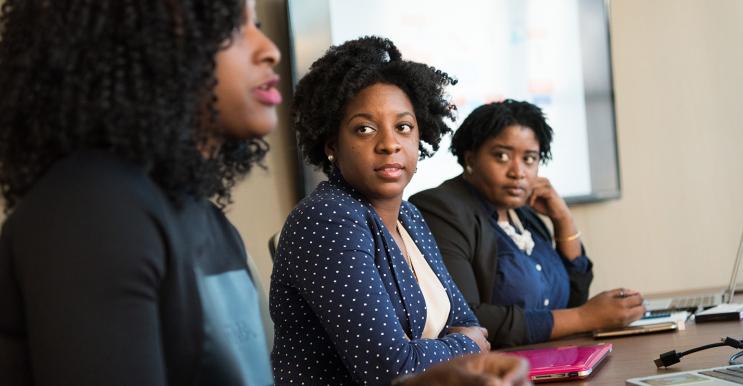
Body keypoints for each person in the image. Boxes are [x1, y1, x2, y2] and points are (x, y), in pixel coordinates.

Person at [0, 2, 529, 386]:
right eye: (234, 24)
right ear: (141, 47)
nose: (269, 49)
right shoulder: (91, 214)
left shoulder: (205, 221)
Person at [269, 36, 495, 385]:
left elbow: (465, 319)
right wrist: (464, 345)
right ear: (332, 144)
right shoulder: (327, 218)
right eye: (365, 129)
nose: (389, 144)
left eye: (403, 127)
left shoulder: (410, 217)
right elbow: (390, 369)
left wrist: (450, 343)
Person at [410, 100, 645, 348]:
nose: (518, 172)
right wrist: (583, 318)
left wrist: (563, 220)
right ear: (470, 158)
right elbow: (465, 318)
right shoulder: (441, 208)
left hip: (556, 360)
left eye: (530, 158)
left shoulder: (524, 214)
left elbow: (572, 299)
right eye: (501, 156)